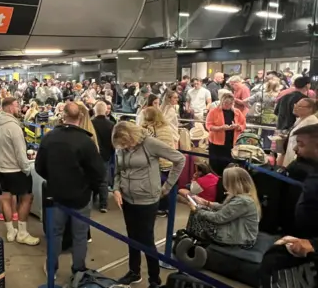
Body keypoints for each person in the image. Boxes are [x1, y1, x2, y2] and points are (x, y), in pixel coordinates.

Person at [112, 121, 185, 287]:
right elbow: (118, 171)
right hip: (126, 198)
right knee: (132, 236)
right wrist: (116, 188)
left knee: (146, 240)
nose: (124, 147)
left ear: (131, 136)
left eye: (126, 143)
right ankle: (134, 272)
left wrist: (166, 187)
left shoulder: (150, 143)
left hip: (147, 200)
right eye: (121, 145)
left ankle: (154, 279)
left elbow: (179, 159)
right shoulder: (121, 147)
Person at [36, 102, 104, 277]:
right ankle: (78, 270)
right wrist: (89, 187)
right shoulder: (86, 141)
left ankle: (52, 268)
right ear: (80, 117)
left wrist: (53, 179)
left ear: (63, 115)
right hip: (81, 196)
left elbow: (39, 167)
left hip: (56, 195)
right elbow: (98, 172)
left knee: (55, 234)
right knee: (80, 236)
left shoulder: (49, 138)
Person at [0, 97, 40, 245]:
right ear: (10, 107)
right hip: (16, 170)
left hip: (0, 169)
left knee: (6, 198)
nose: (19, 108)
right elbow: (20, 152)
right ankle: (23, 233)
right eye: (17, 105)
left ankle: (11, 231)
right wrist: (27, 169)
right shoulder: (14, 127)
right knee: (26, 198)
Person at [186, 166, 260, 248]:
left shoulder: (243, 201)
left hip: (241, 240)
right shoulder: (243, 196)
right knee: (201, 210)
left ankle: (192, 241)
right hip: (239, 232)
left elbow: (218, 218)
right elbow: (225, 208)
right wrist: (207, 203)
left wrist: (196, 210)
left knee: (197, 214)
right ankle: (193, 239)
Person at [205, 93, 247, 177]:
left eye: (230, 103)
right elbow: (208, 125)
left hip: (231, 143)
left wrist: (237, 126)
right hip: (216, 144)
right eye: (226, 103)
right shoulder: (213, 111)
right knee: (216, 165)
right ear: (221, 102)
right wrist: (221, 128)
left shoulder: (237, 112)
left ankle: (228, 180)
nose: (228, 105)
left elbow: (243, 125)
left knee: (229, 165)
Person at [279, 98, 318, 167]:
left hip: (299, 159)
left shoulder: (311, 122)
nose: (295, 107)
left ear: (310, 109)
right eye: (296, 104)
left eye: (299, 106)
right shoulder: (300, 119)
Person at [92, 101, 115, 212]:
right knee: (104, 180)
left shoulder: (90, 123)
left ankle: (91, 199)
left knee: (90, 177)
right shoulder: (111, 124)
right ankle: (103, 204)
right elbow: (113, 142)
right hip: (105, 156)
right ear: (106, 110)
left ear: (94, 110)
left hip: (92, 155)